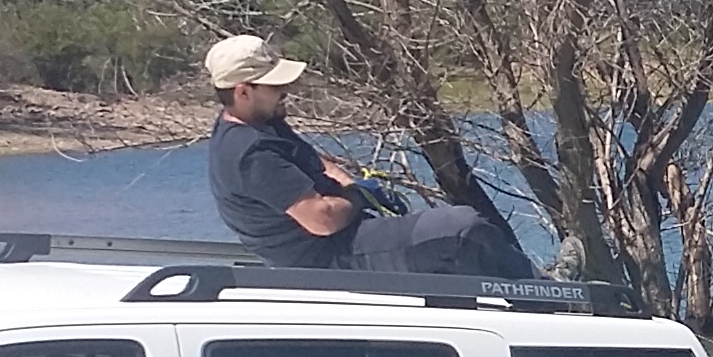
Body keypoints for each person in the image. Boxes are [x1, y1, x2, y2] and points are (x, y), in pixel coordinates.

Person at [203, 34, 538, 279]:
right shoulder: (248, 154)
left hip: (346, 238)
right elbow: (322, 219)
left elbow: (315, 162)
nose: (285, 91)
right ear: (243, 92)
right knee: (460, 229)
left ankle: (533, 285)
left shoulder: (264, 124)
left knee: (451, 239)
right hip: (327, 259)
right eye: (275, 87)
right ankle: (553, 299)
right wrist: (357, 196)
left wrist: (352, 183)